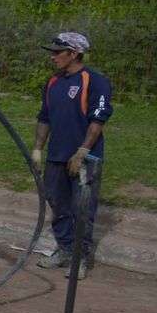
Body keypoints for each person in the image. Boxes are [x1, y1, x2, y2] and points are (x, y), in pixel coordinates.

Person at [32, 31, 112, 280]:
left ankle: (80, 257)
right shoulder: (54, 82)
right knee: (56, 202)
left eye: (58, 52)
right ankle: (64, 248)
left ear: (74, 53)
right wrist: (38, 149)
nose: (53, 57)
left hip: (84, 157)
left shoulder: (95, 81)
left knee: (82, 207)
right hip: (56, 155)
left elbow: (98, 119)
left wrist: (83, 151)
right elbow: (44, 117)